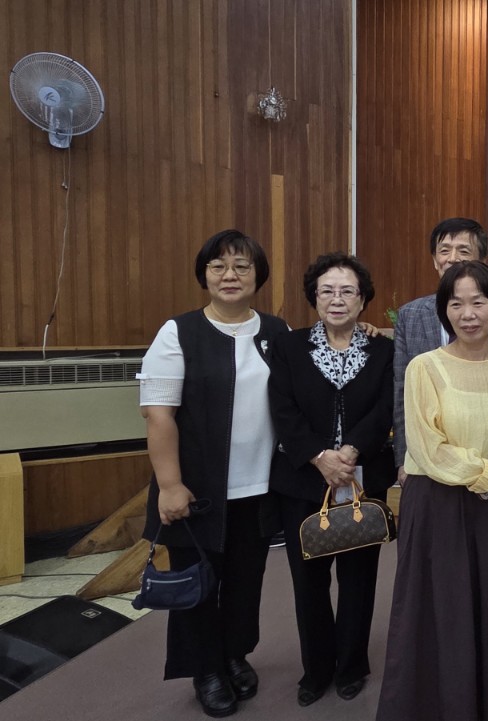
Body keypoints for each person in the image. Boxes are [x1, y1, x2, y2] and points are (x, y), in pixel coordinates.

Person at [375, 261, 488, 721]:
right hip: (440, 502)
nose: (468, 314)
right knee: (442, 607)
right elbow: (427, 447)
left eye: (478, 302)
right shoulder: (425, 366)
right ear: (444, 311)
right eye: (456, 304)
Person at [138, 229, 288, 718]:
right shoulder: (178, 333)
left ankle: (234, 654)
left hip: (260, 487)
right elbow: (158, 415)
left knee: (246, 581)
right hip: (196, 490)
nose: (230, 275)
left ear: (258, 276)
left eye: (242, 266)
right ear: (204, 275)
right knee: (198, 584)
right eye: (218, 266)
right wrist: (169, 485)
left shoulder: (276, 331)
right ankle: (205, 669)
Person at [267, 252, 394, 706]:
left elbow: (385, 407)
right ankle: (316, 669)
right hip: (303, 479)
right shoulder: (288, 346)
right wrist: (320, 457)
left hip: (362, 477)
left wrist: (351, 451)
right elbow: (282, 407)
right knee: (309, 582)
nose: (337, 299)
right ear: (314, 298)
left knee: (359, 580)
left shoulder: (383, 349)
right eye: (327, 291)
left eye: (347, 291)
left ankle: (351, 665)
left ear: (362, 299)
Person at [393, 218, 488, 487]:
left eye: (463, 250)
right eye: (444, 250)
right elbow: (401, 392)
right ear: (435, 260)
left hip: (483, 460)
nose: (452, 258)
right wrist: (402, 459)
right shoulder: (410, 316)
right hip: (425, 461)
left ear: (482, 261)